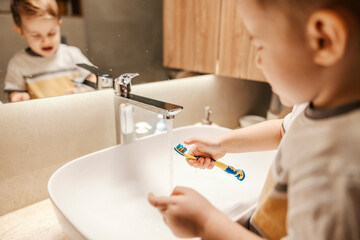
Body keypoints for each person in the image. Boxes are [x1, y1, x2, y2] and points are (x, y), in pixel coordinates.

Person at [148, 0, 360, 239]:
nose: (258, 61)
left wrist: (206, 223)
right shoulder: (315, 108)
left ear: (325, 40)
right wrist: (222, 144)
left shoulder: (339, 168)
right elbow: (283, 132)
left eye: (260, 45)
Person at [4, 0, 95, 102]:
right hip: (41, 116)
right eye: (36, 35)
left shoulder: (72, 55)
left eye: (51, 33)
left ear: (59, 25)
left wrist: (84, 89)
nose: (46, 41)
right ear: (21, 32)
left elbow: (93, 77)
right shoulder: (18, 63)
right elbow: (14, 92)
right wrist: (17, 96)